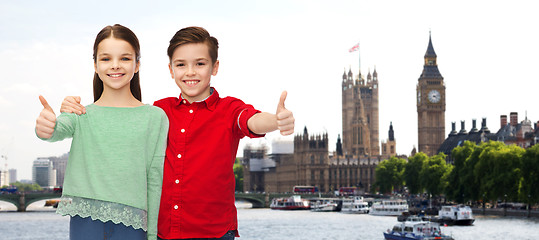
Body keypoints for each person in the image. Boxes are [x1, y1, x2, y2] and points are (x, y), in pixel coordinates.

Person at [60, 26, 295, 240]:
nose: (190, 72)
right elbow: (121, 131)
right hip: (164, 232)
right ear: (171, 70)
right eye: (181, 64)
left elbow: (251, 121)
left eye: (200, 64)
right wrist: (75, 109)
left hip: (213, 233)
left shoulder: (228, 109)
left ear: (215, 67)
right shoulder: (159, 111)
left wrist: (276, 120)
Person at [35, 24, 168, 240]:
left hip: (133, 225)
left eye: (124, 58)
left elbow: (155, 179)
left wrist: (152, 235)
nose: (115, 65)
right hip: (85, 222)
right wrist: (45, 127)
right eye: (106, 59)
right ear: (95, 65)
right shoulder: (79, 113)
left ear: (137, 65)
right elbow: (55, 130)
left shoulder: (155, 117)